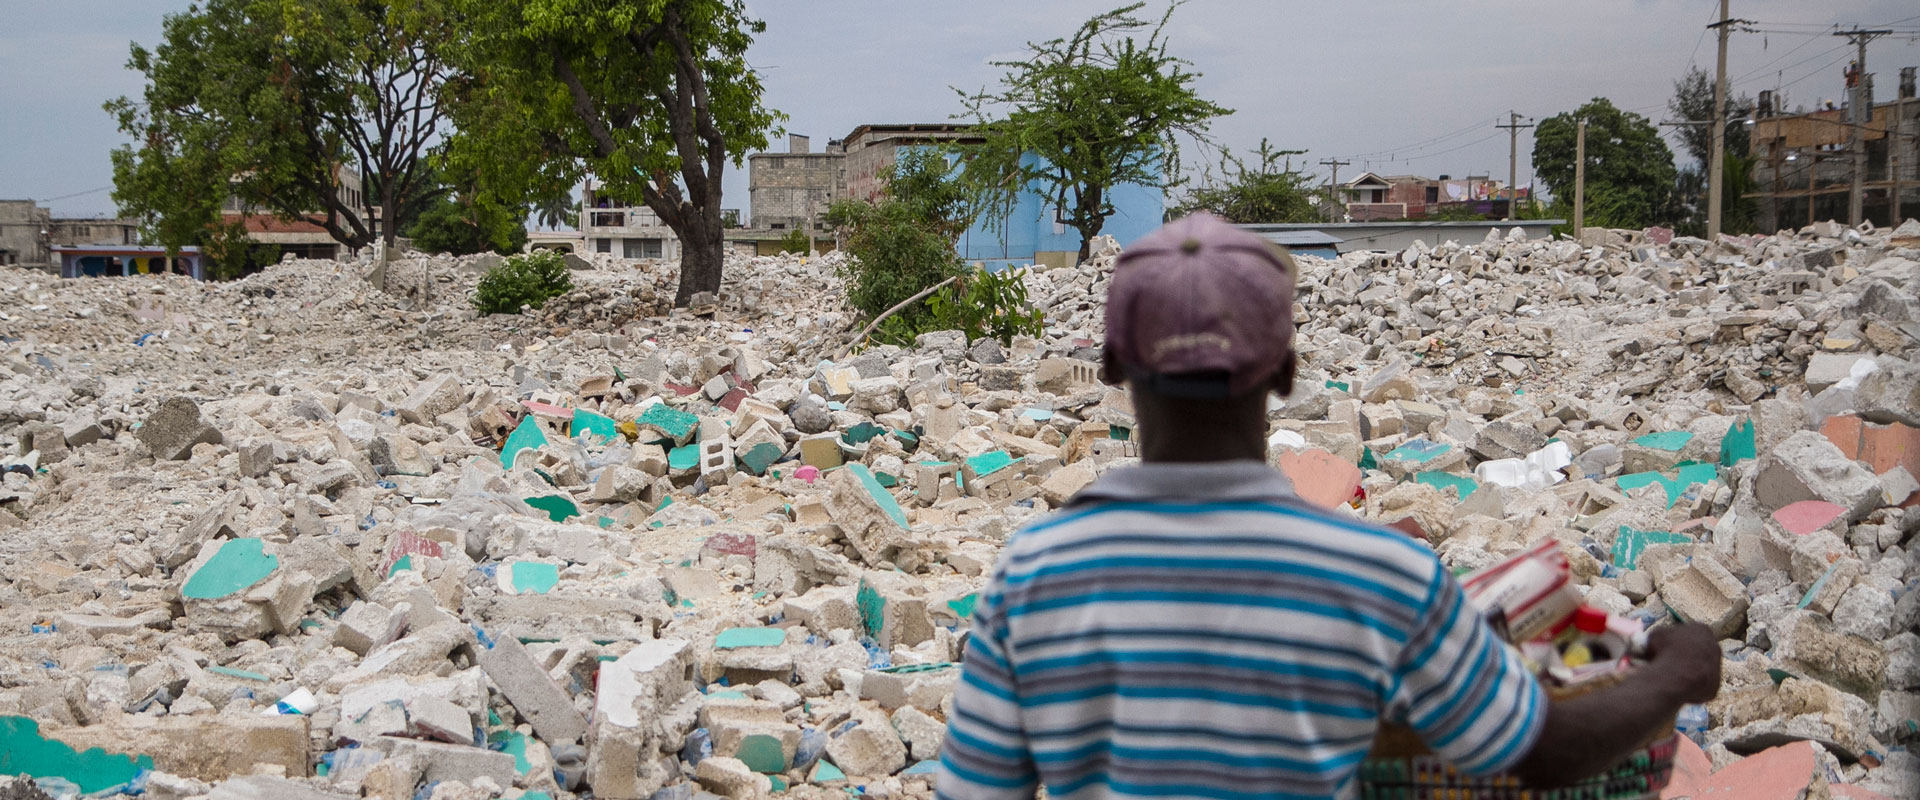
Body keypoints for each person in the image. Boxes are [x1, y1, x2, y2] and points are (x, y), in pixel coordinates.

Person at [934, 214, 1722, 800]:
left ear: (1108, 366)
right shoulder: (1384, 576)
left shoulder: (1032, 572)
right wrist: (1673, 676)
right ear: (1285, 371)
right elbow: (1537, 750)